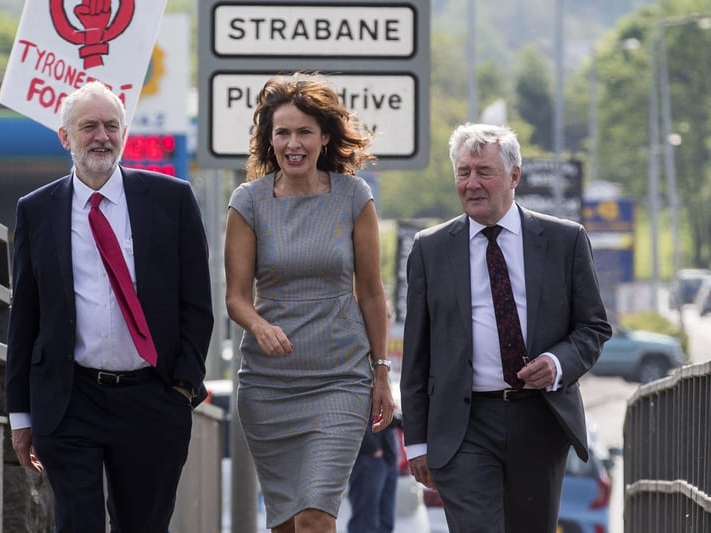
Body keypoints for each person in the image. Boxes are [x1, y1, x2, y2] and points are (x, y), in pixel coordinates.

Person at [4, 81, 214, 532]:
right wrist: (21, 414)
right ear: (65, 137)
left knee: (142, 525)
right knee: (77, 523)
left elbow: (197, 302)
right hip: (70, 397)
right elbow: (24, 316)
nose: (101, 136)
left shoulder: (171, 199)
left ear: (124, 132)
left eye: (111, 126)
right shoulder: (35, 210)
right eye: (88, 127)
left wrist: (182, 384)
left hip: (152, 397)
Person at [400, 123, 612, 533]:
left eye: (484, 171)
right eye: (464, 172)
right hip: (463, 426)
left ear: (514, 176)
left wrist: (556, 362)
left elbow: (594, 327)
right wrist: (417, 441)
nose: (472, 184)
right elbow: (417, 353)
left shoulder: (563, 240)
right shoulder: (431, 248)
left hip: (539, 420)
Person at [224, 72, 395, 533]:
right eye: (283, 132)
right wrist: (259, 326)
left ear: (324, 137)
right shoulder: (249, 203)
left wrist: (382, 372)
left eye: (304, 132)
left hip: (340, 379)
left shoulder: (353, 196)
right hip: (269, 386)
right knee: (285, 524)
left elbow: (372, 292)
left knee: (315, 516)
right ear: (269, 139)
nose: (293, 143)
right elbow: (236, 298)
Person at [347, 419, 399, 533]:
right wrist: (371, 447)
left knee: (385, 522)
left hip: (388, 456)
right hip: (367, 457)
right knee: (364, 523)